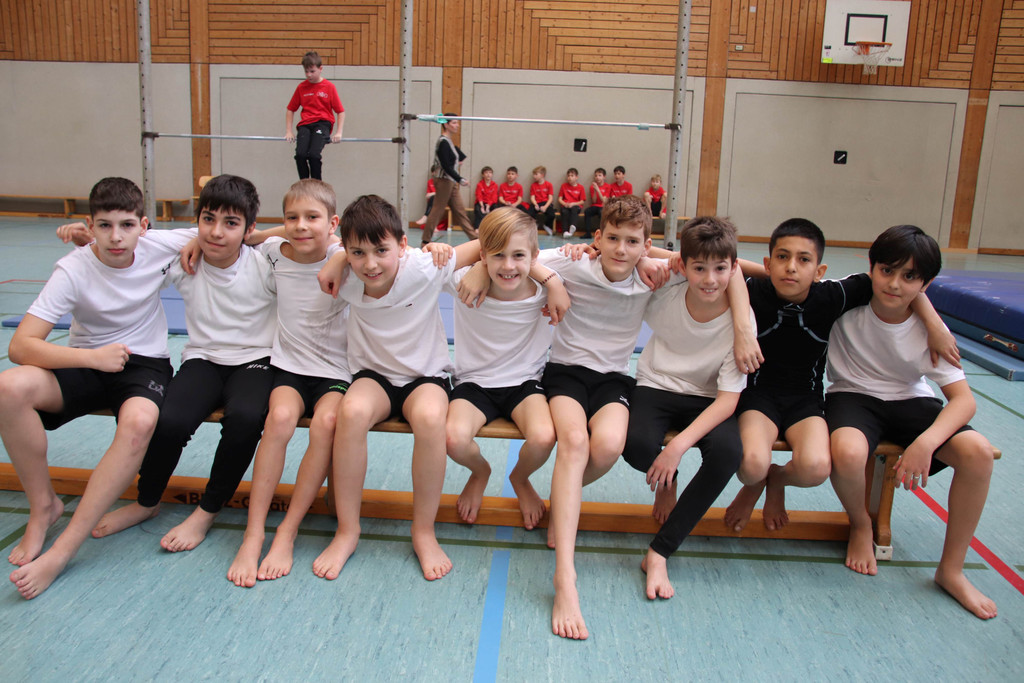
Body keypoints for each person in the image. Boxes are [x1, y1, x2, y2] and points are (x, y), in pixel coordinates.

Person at [2, 177, 198, 599]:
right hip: (87, 358)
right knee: (8, 388)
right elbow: (20, 346)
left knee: (140, 422)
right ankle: (43, 506)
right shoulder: (73, 268)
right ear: (89, 227)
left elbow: (238, 232)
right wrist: (92, 358)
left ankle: (63, 551)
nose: (116, 237)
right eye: (104, 226)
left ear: (143, 225)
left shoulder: (160, 245)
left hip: (144, 363)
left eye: (126, 225)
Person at [722, 218, 957, 535]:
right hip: (757, 397)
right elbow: (723, 266)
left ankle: (776, 479)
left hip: (805, 401)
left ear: (819, 271)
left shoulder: (834, 296)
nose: (791, 267)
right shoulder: (755, 290)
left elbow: (901, 282)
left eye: (804, 259)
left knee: (815, 468)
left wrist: (934, 324)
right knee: (751, 466)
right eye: (782, 257)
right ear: (768, 263)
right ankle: (756, 483)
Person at [89, 175, 277, 552]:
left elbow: (313, 238)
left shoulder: (265, 262)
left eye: (231, 223)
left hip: (257, 361)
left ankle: (207, 511)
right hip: (203, 359)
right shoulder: (182, 262)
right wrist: (85, 238)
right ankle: (147, 502)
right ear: (197, 221)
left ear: (249, 229)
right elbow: (126, 246)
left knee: (244, 419)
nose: (216, 232)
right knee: (169, 420)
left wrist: (251, 238)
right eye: (208, 220)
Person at [826, 224, 996, 619]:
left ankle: (951, 570)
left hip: (910, 399)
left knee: (978, 453)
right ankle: (861, 525)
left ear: (925, 284)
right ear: (871, 267)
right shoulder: (844, 299)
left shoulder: (930, 330)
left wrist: (926, 443)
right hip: (852, 395)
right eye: (887, 271)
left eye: (909, 277)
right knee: (848, 452)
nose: (894, 284)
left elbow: (964, 400)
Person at [315, 195, 484, 581]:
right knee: (351, 412)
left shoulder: (422, 268)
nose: (371, 264)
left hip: (424, 376)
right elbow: (294, 238)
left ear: (403, 245)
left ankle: (423, 530)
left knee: (430, 418)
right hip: (373, 375)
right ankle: (347, 530)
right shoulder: (345, 275)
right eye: (358, 253)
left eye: (381, 251)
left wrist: (479, 267)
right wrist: (339, 258)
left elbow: (486, 241)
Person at [225, 179, 351, 587]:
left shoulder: (344, 255)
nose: (300, 226)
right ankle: (253, 533)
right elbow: (244, 239)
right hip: (290, 368)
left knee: (326, 424)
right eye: (291, 218)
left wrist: (341, 253)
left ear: (332, 223)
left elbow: (367, 245)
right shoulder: (272, 253)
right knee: (278, 420)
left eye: (312, 218)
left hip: (335, 372)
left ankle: (287, 530)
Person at [621, 216, 751, 601]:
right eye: (699, 268)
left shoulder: (743, 323)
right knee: (636, 446)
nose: (710, 279)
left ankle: (660, 551)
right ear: (683, 265)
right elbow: (623, 254)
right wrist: (648, 258)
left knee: (728, 453)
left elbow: (728, 401)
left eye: (720, 269)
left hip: (709, 398)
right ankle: (668, 483)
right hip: (656, 384)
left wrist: (676, 448)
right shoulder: (669, 284)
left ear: (733, 268)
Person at [444, 207, 568, 528]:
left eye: (518, 256)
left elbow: (598, 254)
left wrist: (553, 281)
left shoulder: (543, 288)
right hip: (474, 383)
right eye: (498, 255)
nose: (509, 266)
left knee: (543, 437)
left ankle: (520, 478)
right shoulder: (462, 282)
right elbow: (414, 264)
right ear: (483, 254)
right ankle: (480, 471)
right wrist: (477, 265)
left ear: (535, 257)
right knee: (454, 439)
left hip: (525, 383)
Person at [285, 51, 345, 181]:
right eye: (306, 72)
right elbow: (290, 109)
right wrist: (289, 131)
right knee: (300, 155)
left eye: (312, 71)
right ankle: (304, 183)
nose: (309, 75)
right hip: (306, 124)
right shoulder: (301, 87)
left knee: (313, 155)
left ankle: (317, 184)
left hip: (322, 123)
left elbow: (340, 111)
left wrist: (338, 132)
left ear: (320, 69)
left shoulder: (329, 87)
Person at [422, 113, 477, 244]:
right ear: (446, 125)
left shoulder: (449, 142)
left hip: (450, 182)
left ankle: (475, 240)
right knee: (437, 209)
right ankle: (425, 240)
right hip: (444, 181)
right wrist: (460, 179)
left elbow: (454, 160)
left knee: (460, 211)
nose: (457, 125)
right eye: (454, 122)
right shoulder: (443, 142)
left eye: (457, 122)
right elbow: (445, 165)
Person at [557, 168, 586, 239]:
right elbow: (560, 199)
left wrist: (573, 204)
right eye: (568, 176)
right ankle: (565, 232)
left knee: (574, 209)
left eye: (572, 175)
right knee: (564, 212)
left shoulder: (580, 187)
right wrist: (565, 204)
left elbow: (582, 201)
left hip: (576, 206)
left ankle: (572, 227)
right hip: (566, 205)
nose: (570, 177)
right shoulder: (563, 186)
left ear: (576, 177)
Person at [582, 167, 611, 238]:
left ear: (604, 177)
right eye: (596, 176)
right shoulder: (592, 187)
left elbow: (604, 200)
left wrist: (598, 190)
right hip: (595, 206)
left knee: (601, 212)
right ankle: (588, 233)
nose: (597, 177)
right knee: (587, 211)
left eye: (599, 175)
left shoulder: (608, 186)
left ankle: (601, 233)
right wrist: (595, 190)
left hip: (603, 206)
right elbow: (594, 201)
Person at [528, 166, 556, 235]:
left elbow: (550, 198)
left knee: (552, 214)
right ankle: (534, 225)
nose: (534, 176)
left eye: (536, 174)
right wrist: (535, 204)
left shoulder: (549, 185)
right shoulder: (533, 185)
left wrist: (545, 207)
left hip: (546, 203)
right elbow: (532, 197)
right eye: (534, 174)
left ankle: (547, 225)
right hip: (537, 203)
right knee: (529, 213)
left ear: (542, 175)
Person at [472, 166, 499, 231]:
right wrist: (482, 206)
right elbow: (479, 196)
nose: (488, 174)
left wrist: (488, 206)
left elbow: (494, 197)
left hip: (490, 203)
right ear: (483, 175)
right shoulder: (480, 184)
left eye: (490, 172)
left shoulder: (494, 185)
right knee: (478, 210)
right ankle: (477, 227)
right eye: (486, 173)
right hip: (481, 203)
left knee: (496, 209)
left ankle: (493, 228)